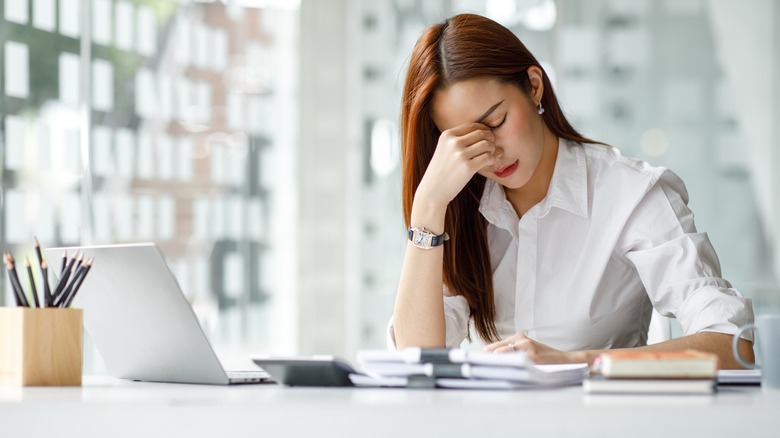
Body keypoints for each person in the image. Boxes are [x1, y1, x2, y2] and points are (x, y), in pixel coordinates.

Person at [390, 13, 754, 368]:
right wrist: (427, 207)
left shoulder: (629, 193)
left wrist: (575, 361)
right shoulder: (459, 209)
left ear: (534, 86)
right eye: (466, 143)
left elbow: (731, 344)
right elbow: (416, 360)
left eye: (496, 122)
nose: (491, 153)